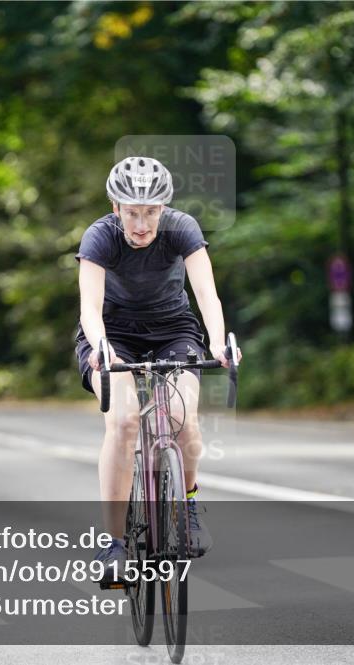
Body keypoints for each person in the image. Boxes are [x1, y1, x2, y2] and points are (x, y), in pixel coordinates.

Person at [76, 155, 239, 581]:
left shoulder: (182, 228)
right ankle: (113, 544)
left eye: (151, 212)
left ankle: (187, 507)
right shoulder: (99, 237)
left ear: (163, 208)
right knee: (124, 421)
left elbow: (206, 293)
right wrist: (102, 348)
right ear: (116, 208)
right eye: (132, 213)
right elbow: (89, 307)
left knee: (183, 416)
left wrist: (218, 342)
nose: (142, 224)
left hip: (173, 330)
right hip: (111, 335)